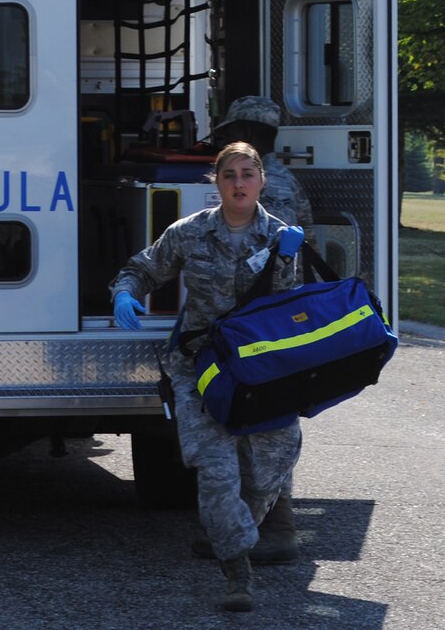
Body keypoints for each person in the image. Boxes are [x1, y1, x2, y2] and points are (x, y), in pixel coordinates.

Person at [110, 141, 303, 613]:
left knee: (267, 471)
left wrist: (289, 259)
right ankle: (238, 574)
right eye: (229, 175)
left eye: (247, 174)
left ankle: (234, 533)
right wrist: (124, 293)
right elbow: (141, 269)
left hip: (261, 369)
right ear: (215, 182)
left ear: (261, 181)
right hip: (203, 369)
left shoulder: (281, 238)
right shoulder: (190, 232)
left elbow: (293, 306)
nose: (238, 184)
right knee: (217, 472)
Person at [202, 95, 316, 565]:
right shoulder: (284, 180)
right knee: (262, 423)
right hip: (278, 319)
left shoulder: (243, 182)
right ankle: (249, 529)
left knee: (262, 427)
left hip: (256, 323)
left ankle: (277, 530)